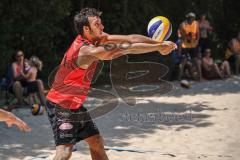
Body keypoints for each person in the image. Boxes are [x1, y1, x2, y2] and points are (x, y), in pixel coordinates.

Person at [46, 7, 177, 160]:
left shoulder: (97, 38)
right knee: (64, 153)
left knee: (96, 142)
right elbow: (126, 48)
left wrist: (158, 42)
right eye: (97, 24)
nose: (102, 27)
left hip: (75, 105)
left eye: (101, 23)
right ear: (86, 29)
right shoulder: (86, 51)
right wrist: (158, 47)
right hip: (60, 106)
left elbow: (130, 39)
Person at [178, 12, 202, 80]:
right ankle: (179, 78)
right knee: (184, 61)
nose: (191, 19)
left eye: (192, 18)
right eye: (190, 18)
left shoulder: (196, 23)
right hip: (185, 45)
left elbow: (198, 34)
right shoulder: (182, 25)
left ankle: (200, 77)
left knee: (196, 60)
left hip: (194, 45)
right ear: (187, 18)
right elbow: (180, 37)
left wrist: (196, 42)